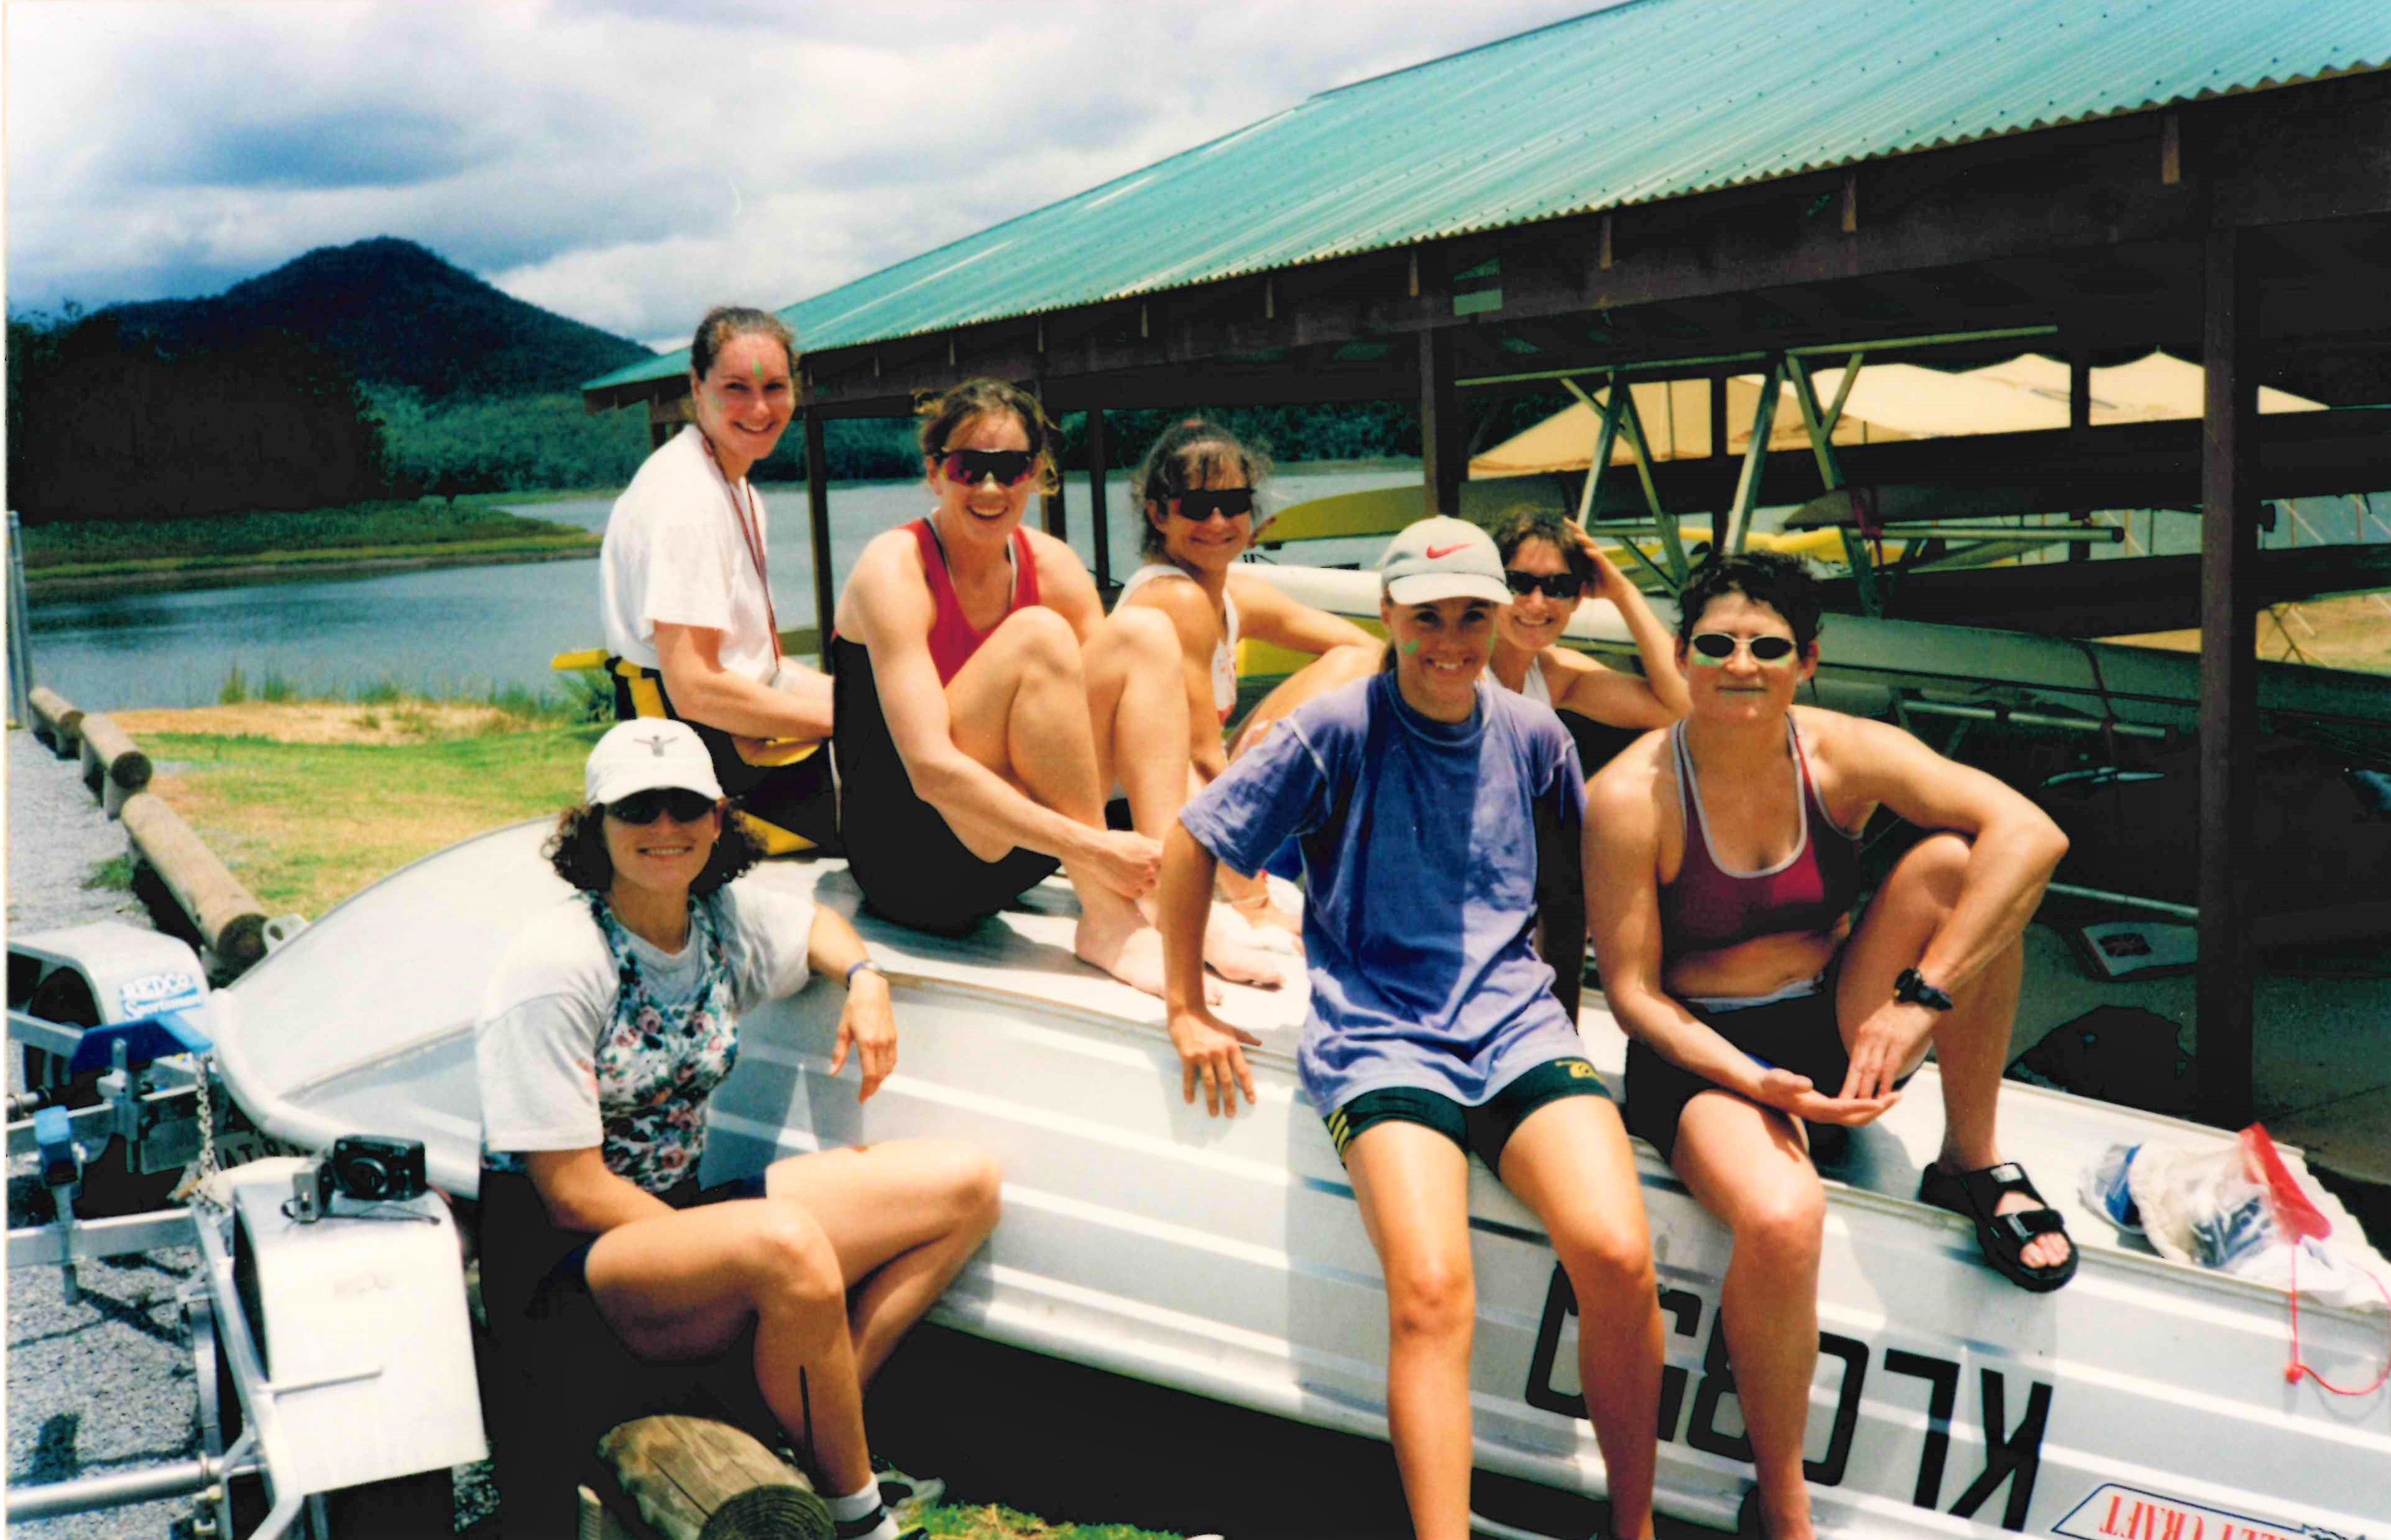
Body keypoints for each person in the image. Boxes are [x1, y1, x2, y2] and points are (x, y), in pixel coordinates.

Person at [1157, 518, 1665, 1540]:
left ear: (1501, 617)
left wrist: (1556, 1037)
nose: (1450, 639)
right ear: (1387, 615)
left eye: (1472, 615)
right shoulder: (1332, 727)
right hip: (1379, 1033)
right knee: (1433, 1291)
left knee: (1617, 1254)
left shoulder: (1537, 737)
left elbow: (1564, 901)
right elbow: (1191, 843)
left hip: (1515, 1027)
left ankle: (1635, 1525)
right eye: (1425, 616)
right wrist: (1183, 1004)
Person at [1583, 553, 2075, 1540]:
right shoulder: (1629, 796)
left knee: (1957, 868)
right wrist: (1751, 1080)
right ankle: (1782, 1502)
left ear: (1805, 661)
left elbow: (2033, 834)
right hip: (1701, 1049)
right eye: (1715, 646)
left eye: (1766, 648)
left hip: (1829, 1011)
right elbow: (1633, 995)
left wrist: (1916, 1006)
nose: (1739, 666)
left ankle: (1968, 1160)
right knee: (1780, 1217)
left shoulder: (1844, 753)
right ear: (1679, 657)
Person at [476, 719, 1000, 1540]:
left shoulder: (717, 919)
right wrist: (731, 1241)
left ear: (718, 818)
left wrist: (865, 979)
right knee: (785, 1245)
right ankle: (861, 1520)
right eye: (635, 809)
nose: (663, 828)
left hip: (676, 1223)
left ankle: (813, 1441)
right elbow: (569, 1191)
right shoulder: (557, 964)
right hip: (566, 1270)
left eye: (684, 805)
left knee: (963, 1187)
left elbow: (818, 929)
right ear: (594, 825)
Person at [831, 378, 1281, 996]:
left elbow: (1140, 731)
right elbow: (930, 770)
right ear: (936, 473)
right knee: (1039, 636)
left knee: (1145, 633)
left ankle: (1174, 900)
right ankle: (1108, 920)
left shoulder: (1051, 565)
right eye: (970, 467)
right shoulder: (895, 568)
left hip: (1015, 844)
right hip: (910, 864)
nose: (991, 488)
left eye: (1010, 467)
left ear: (1036, 473)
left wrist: (1232, 876)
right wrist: (1095, 849)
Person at [1113, 418, 1381, 938]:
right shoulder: (1173, 597)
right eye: (1195, 506)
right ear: (1158, 513)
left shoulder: (1233, 593)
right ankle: (1264, 887)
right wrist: (1254, 900)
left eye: (1233, 503)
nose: (1217, 520)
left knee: (1356, 666)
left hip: (1207, 800)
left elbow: (1370, 651)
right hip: (1142, 823)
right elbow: (1198, 759)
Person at [601, 307, 836, 851]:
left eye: (775, 386)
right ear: (696, 387)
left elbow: (758, 667)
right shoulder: (686, 498)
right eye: (736, 387)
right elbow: (696, 688)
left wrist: (868, 702)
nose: (759, 408)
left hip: (738, 741)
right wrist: (845, 718)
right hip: (703, 773)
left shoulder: (737, 490)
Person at [1484, 507, 1688, 773]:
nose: (1536, 604)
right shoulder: (1462, 668)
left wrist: (1624, 593)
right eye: (1519, 583)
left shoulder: (1553, 674)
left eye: (1558, 587)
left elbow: (1680, 711)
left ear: (1578, 597)